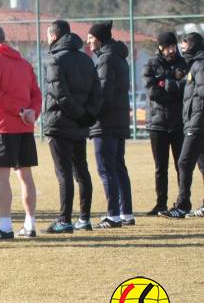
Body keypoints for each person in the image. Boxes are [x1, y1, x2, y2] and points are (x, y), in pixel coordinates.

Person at [0, 23, 42, 241]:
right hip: (24, 127)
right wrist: (31, 112)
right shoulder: (24, 63)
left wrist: (20, 110)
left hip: (2, 126)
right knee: (26, 176)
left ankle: (5, 226)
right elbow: (36, 93)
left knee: (1, 177)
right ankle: (30, 224)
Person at [41, 20, 102, 234]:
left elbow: (59, 93)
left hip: (59, 123)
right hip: (80, 124)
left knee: (64, 173)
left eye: (48, 36)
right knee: (82, 171)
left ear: (54, 36)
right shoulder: (87, 59)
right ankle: (84, 218)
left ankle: (64, 220)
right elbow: (97, 92)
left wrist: (78, 114)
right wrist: (87, 116)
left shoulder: (53, 59)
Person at [87, 21, 133, 228]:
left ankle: (113, 215)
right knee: (118, 167)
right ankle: (126, 213)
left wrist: (91, 115)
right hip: (120, 120)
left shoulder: (105, 60)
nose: (88, 42)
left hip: (105, 122)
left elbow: (103, 94)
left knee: (106, 169)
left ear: (97, 38)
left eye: (89, 38)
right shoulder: (120, 57)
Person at [143, 31, 188, 216]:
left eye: (173, 46)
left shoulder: (183, 63)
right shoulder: (151, 64)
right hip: (157, 124)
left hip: (178, 124)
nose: (171, 50)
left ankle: (182, 202)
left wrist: (164, 83)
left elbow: (186, 90)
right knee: (160, 168)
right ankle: (160, 204)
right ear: (160, 47)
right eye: (168, 46)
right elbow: (152, 92)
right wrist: (172, 84)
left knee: (181, 166)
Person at [162, 32, 204, 218]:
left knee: (184, 162)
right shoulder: (195, 64)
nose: (182, 47)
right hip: (196, 121)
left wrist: (195, 118)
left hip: (197, 123)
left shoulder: (200, 65)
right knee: (202, 165)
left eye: (185, 44)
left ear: (193, 45)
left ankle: (182, 205)